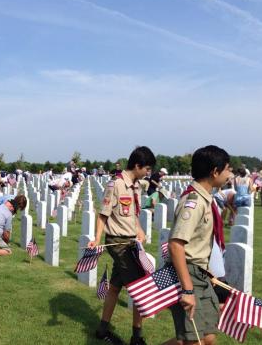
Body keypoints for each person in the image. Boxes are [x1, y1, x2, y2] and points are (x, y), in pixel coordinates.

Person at [162, 145, 231, 345]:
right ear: (215, 171)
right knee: (194, 340)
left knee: (207, 336)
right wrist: (188, 290)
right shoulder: (193, 202)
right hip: (189, 274)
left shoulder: (206, 199)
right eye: (228, 168)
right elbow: (176, 244)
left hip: (202, 273)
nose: (230, 173)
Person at [88, 146, 156, 345]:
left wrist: (140, 230)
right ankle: (137, 336)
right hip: (118, 242)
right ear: (137, 165)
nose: (147, 173)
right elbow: (103, 214)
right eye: (147, 169)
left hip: (131, 242)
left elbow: (133, 215)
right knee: (140, 286)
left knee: (115, 287)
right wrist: (97, 238)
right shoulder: (116, 184)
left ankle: (102, 329)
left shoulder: (135, 186)